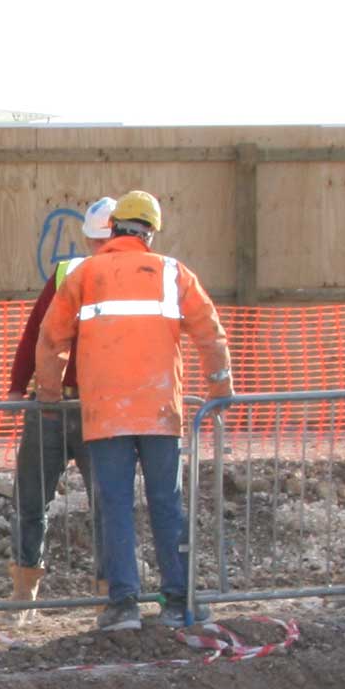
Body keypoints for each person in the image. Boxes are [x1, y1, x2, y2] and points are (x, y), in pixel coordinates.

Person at [32, 189, 234, 631]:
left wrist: (48, 398)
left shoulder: (87, 273)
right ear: (150, 231)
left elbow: (51, 340)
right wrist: (220, 390)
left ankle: (123, 606)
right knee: (167, 504)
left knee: (115, 505)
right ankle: (179, 602)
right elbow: (210, 333)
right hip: (161, 410)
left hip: (105, 413)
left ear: (115, 227)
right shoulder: (172, 272)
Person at [6, 197, 118, 609]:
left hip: (74, 408)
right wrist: (19, 386)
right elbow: (37, 332)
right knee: (41, 502)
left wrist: (19, 388)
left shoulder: (82, 272)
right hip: (75, 408)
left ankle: (104, 592)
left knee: (87, 505)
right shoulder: (70, 273)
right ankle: (31, 591)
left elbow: (33, 333)